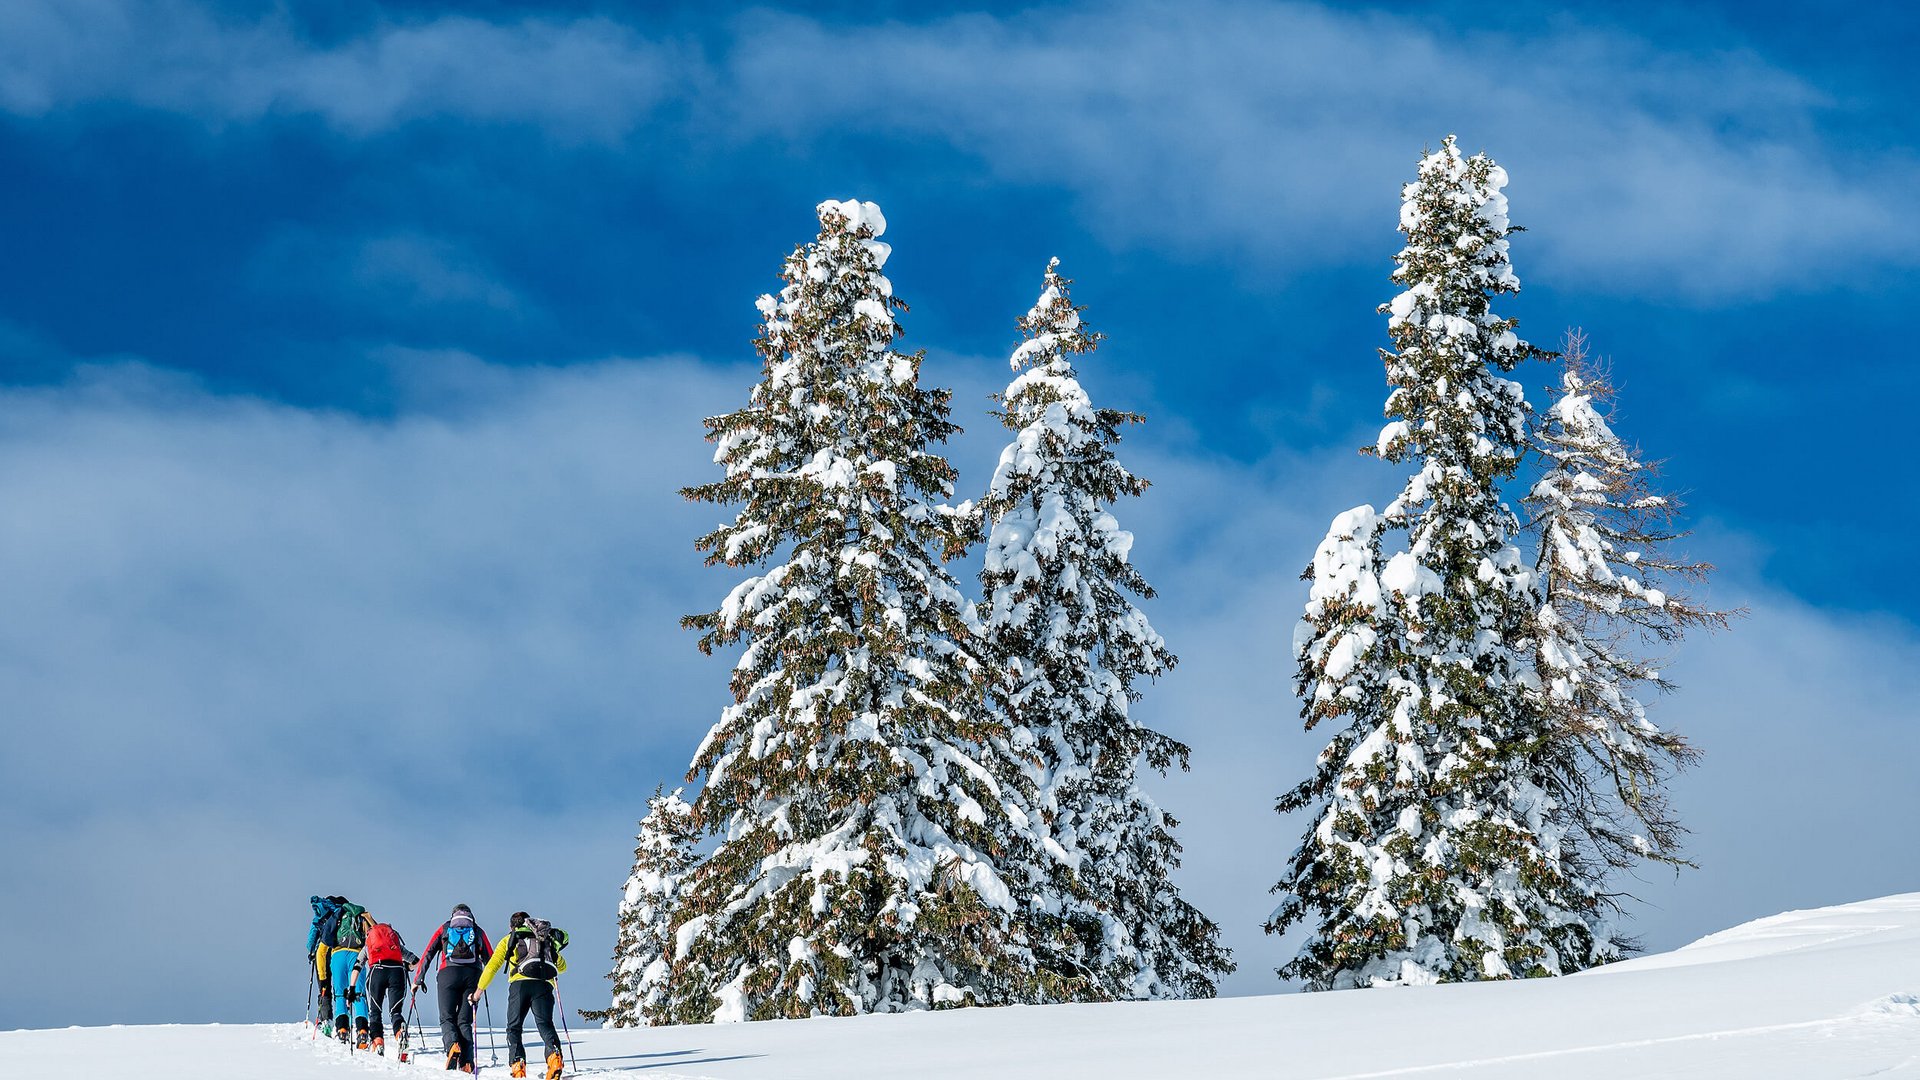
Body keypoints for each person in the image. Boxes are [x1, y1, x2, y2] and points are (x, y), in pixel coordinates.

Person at [472, 912, 570, 1080]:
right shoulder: (543, 939)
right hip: (544, 985)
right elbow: (562, 967)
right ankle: (555, 1058)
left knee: (514, 1027)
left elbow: (492, 967)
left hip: (520, 985)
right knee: (545, 1024)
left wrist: (478, 992)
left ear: (512, 926)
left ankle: (518, 1066)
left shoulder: (509, 939)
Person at [413, 903, 494, 1073]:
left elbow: (428, 953)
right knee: (464, 1020)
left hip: (447, 974)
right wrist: (484, 980)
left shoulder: (445, 928)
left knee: (447, 1017)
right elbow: (491, 958)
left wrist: (418, 979)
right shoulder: (477, 930)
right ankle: (467, 1062)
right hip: (473, 976)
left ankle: (452, 1046)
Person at [353, 917, 420, 1057]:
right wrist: (406, 967)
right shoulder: (395, 944)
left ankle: (378, 1042)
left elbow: (357, 966)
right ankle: (400, 1033)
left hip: (377, 971)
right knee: (395, 1012)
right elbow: (416, 961)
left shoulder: (368, 944)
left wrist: (352, 987)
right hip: (397, 972)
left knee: (375, 1012)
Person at [327, 899, 374, 1048]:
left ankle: (342, 1029)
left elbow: (326, 938)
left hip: (338, 955)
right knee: (359, 994)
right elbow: (373, 935)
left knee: (340, 994)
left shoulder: (337, 915)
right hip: (357, 954)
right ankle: (362, 1031)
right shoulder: (362, 916)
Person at [306, 895, 345, 1035]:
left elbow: (311, 940)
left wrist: (311, 951)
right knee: (341, 987)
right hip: (339, 953)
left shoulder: (320, 915)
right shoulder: (343, 914)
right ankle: (344, 1020)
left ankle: (326, 1020)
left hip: (322, 954)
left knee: (324, 987)